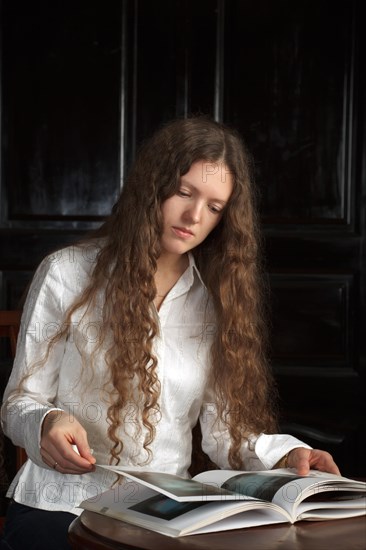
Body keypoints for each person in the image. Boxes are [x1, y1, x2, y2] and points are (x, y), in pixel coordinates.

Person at [0, 116, 340, 549]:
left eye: (214, 207)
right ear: (153, 186)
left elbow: (225, 434)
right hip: (60, 505)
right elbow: (18, 403)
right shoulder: (67, 273)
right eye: (184, 192)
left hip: (164, 513)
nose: (194, 216)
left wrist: (290, 454)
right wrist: (46, 421)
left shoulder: (214, 302)